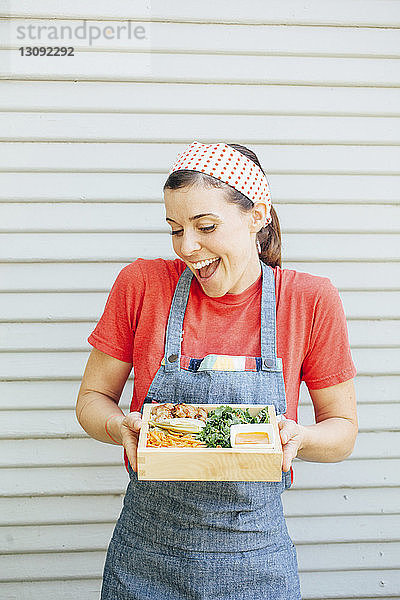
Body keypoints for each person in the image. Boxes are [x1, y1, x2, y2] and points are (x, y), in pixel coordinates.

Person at [76, 140, 358, 600]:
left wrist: (299, 438)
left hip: (256, 559)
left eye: (205, 226)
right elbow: (91, 400)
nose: (188, 247)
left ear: (257, 215)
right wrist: (117, 427)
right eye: (174, 229)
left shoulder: (309, 300)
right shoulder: (143, 285)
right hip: (146, 557)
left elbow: (343, 431)